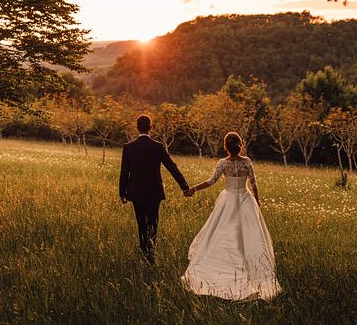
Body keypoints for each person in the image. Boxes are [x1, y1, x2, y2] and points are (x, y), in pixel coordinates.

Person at [181, 132, 281, 301]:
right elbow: (253, 184)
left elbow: (211, 181)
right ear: (240, 145)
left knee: (223, 232)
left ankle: (222, 264)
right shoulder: (247, 161)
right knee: (248, 235)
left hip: (228, 199)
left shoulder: (223, 163)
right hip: (245, 199)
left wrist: (193, 189)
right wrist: (256, 203)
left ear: (225, 146)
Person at [119, 114, 191, 260]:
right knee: (153, 222)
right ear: (151, 127)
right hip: (154, 192)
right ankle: (151, 253)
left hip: (136, 191)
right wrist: (184, 187)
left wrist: (122, 193)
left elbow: (124, 172)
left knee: (141, 222)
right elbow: (172, 167)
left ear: (137, 127)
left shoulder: (129, 147)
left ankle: (144, 252)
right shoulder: (157, 147)